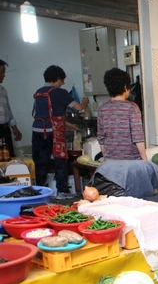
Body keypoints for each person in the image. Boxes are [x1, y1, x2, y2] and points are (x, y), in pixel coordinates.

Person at [32, 65, 89, 199]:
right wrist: (85, 102)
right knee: (60, 160)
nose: (62, 83)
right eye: (62, 81)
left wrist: (66, 123)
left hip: (37, 130)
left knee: (41, 161)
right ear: (57, 79)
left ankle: (40, 191)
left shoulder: (39, 92)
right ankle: (62, 191)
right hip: (54, 131)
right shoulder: (59, 92)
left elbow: (47, 114)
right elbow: (79, 108)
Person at [97, 68, 146, 160]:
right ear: (125, 87)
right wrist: (146, 161)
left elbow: (101, 139)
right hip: (131, 162)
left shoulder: (102, 109)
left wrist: (107, 160)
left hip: (111, 162)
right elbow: (138, 138)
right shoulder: (132, 107)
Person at [0, 59, 23, 158]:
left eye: (4, 71)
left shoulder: (3, 90)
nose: (4, 74)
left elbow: (8, 110)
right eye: (2, 71)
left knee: (8, 159)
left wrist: (15, 128)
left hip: (4, 130)